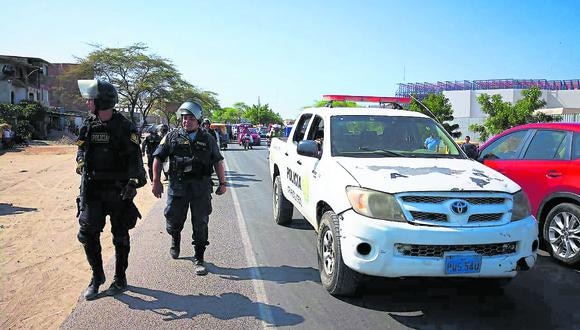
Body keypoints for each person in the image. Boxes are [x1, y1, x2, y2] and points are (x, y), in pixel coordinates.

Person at [75, 79, 147, 300]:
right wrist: (79, 162)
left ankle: (120, 278)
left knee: (120, 236)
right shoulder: (87, 125)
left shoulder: (125, 127)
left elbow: (136, 160)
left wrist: (133, 183)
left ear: (102, 102)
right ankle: (97, 277)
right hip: (93, 191)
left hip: (118, 192)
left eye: (91, 99)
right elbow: (80, 149)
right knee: (87, 234)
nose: (88, 103)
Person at [151, 100, 227, 276]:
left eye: (191, 118)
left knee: (200, 223)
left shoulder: (207, 138)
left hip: (200, 189)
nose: (187, 121)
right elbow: (158, 158)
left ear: (198, 120)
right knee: (173, 220)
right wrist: (156, 181)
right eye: (184, 118)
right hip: (178, 188)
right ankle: (175, 240)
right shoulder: (171, 136)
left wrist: (223, 184)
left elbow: (217, 161)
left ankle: (199, 258)